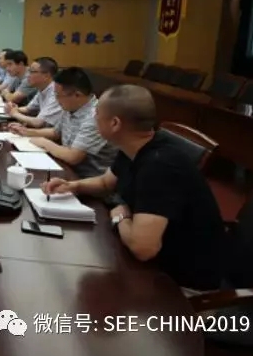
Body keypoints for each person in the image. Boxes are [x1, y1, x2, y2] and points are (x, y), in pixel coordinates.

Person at [41, 84, 226, 292]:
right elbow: (105, 183)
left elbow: (143, 248)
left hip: (180, 285)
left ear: (115, 123)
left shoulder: (160, 165)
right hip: (151, 264)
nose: (93, 117)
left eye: (97, 113)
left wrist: (121, 217)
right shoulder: (135, 144)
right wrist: (73, 186)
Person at [15, 67, 117, 177]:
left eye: (58, 95)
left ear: (77, 95)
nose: (56, 100)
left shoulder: (96, 116)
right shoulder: (71, 106)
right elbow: (56, 132)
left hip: (86, 178)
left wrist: (44, 143)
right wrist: (28, 132)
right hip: (65, 167)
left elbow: (73, 157)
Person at [7, 57, 61, 128]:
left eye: (32, 72)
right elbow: (29, 109)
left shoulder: (57, 92)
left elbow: (39, 122)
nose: (28, 75)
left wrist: (15, 113)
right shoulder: (42, 88)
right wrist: (14, 109)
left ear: (46, 76)